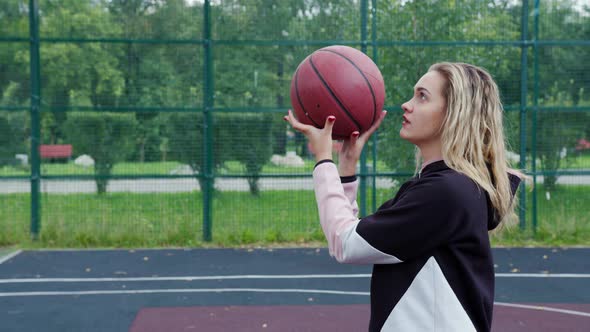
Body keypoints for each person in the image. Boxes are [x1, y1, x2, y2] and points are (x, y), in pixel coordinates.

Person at [284, 62, 523, 332]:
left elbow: (346, 243)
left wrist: (323, 160)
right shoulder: (452, 188)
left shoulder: (445, 194)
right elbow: (358, 236)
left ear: (454, 113)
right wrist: (346, 167)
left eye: (422, 96)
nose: (406, 105)